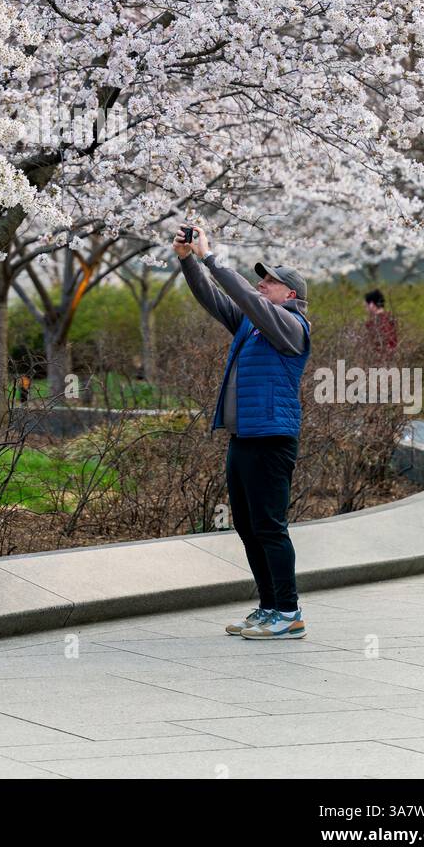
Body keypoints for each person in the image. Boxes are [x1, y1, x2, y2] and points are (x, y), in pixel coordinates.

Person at [175, 224, 311, 641]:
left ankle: (289, 612)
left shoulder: (291, 326)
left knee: (270, 526)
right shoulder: (253, 325)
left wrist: (211, 257)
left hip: (271, 437)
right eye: (261, 278)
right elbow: (215, 298)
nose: (261, 284)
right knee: (248, 528)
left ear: (290, 294)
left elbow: (241, 295)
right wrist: (188, 260)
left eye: (269, 281)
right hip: (244, 436)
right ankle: (269, 606)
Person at [364, 288, 398, 355]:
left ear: (371, 304)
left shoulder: (376, 322)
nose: (365, 308)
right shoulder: (390, 319)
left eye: (366, 306)